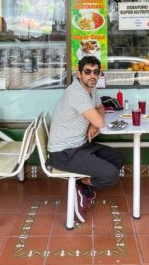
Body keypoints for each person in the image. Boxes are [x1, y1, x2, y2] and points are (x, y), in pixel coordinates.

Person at [48, 56, 125, 221]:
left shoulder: (91, 89)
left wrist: (93, 125)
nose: (92, 76)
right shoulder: (76, 92)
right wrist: (95, 123)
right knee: (111, 175)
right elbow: (99, 119)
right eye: (88, 72)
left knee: (118, 158)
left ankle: (83, 186)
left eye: (96, 72)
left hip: (80, 145)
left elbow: (100, 108)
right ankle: (81, 187)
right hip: (64, 152)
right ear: (79, 74)